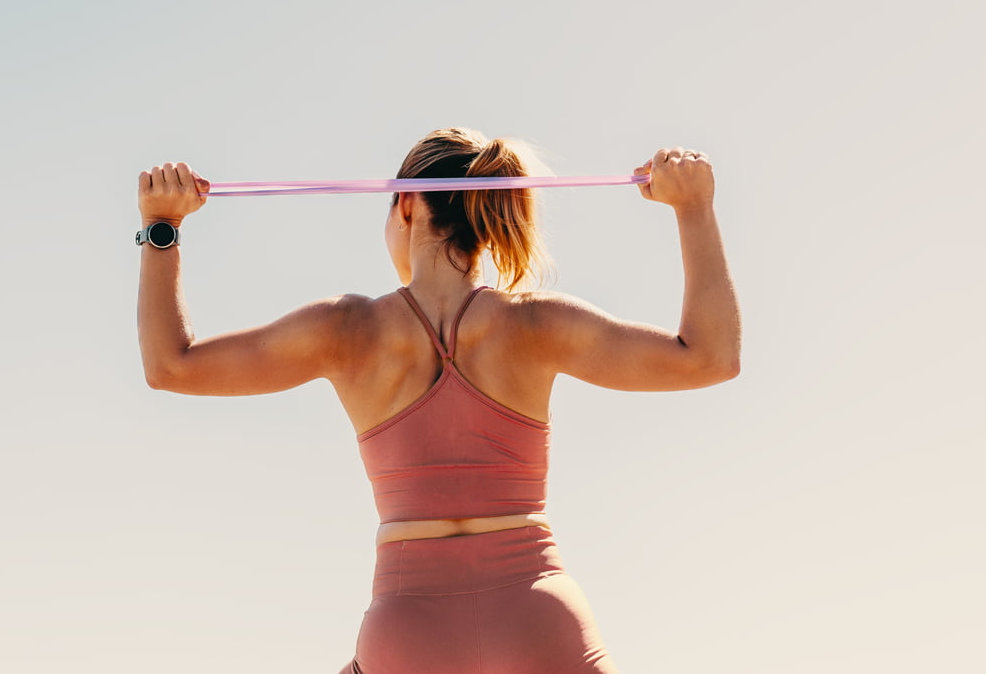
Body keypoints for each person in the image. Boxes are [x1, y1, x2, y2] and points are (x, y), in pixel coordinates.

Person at [136, 127, 741, 673]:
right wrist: (694, 207)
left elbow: (171, 365)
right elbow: (709, 358)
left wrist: (163, 228)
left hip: (406, 628)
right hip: (536, 615)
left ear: (406, 202)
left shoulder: (345, 330)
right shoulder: (537, 324)